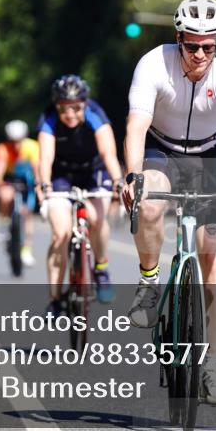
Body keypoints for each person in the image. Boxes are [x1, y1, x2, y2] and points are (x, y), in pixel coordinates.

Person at [121, 0, 216, 405]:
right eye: (192, 44)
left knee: (215, 258)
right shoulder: (152, 63)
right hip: (162, 151)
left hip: (211, 153)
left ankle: (213, 366)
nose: (200, 53)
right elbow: (136, 126)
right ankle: (148, 283)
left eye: (208, 45)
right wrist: (133, 176)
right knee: (148, 204)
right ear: (178, 38)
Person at [36, 75, 124, 314]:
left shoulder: (96, 113)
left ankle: (101, 268)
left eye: (76, 108)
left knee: (96, 219)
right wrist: (43, 184)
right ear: (57, 106)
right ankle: (56, 298)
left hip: (94, 172)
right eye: (65, 109)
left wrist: (117, 180)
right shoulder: (49, 119)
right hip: (60, 175)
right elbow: (45, 158)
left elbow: (108, 153)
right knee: (60, 234)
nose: (71, 114)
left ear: (85, 104)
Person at [0, 120, 40, 267]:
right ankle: (4, 224)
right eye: (13, 141)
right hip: (10, 180)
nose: (16, 144)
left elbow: (37, 168)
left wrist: (39, 184)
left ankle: (26, 249)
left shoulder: (32, 146)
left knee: (27, 214)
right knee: (6, 196)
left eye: (19, 141)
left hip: (27, 181)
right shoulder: (2, 148)